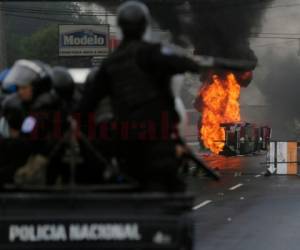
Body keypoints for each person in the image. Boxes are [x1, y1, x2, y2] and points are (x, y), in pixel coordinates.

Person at [80, 1, 202, 192]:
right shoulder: (156, 53)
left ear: (120, 28)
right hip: (158, 142)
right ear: (145, 26)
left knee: (129, 187)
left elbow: (86, 104)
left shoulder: (110, 64)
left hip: (126, 145)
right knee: (173, 191)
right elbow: (188, 64)